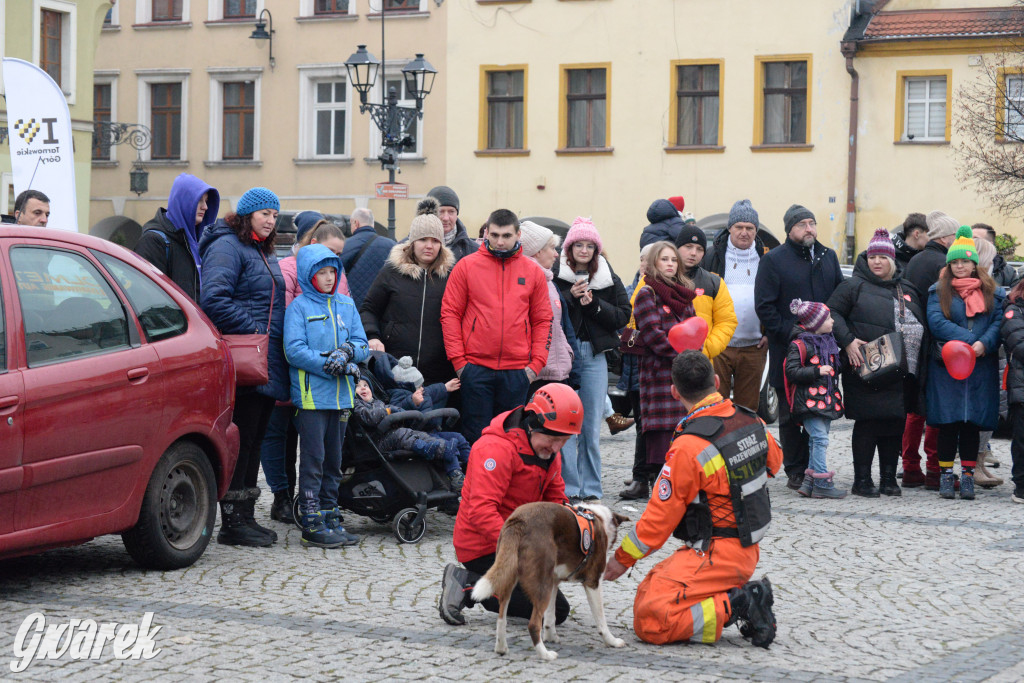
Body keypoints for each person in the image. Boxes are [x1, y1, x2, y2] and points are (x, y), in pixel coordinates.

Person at [603, 351, 781, 648]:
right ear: (717, 382)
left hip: (716, 552)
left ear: (674, 392)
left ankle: (740, 602)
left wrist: (621, 560)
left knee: (651, 619)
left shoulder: (689, 446)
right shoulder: (753, 421)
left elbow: (658, 521)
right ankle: (731, 594)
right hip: (744, 547)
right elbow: (774, 463)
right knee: (648, 589)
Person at [437, 383, 580, 626]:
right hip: (483, 546)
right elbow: (481, 512)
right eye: (553, 439)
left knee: (555, 610)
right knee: (551, 609)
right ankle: (467, 582)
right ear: (532, 424)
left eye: (564, 441)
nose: (556, 448)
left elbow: (556, 500)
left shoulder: (547, 452)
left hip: (520, 540)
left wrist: (574, 529)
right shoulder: (495, 449)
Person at [199, 187, 288, 547]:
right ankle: (233, 522)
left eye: (275, 215)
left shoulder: (260, 249)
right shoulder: (227, 246)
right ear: (247, 215)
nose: (270, 220)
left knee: (255, 439)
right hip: (246, 357)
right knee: (243, 438)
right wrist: (255, 330)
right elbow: (213, 298)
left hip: (266, 357)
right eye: (265, 213)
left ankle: (246, 516)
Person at [263, 214, 351, 525]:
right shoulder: (288, 271)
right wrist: (323, 358)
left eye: (338, 256)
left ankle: (321, 505)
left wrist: (347, 351)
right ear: (313, 245)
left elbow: (347, 316)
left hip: (323, 379)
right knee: (280, 435)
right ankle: (283, 496)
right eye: (331, 253)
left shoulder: (337, 276)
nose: (335, 263)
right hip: (291, 365)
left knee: (319, 447)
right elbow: (285, 319)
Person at [827, 229, 927, 497]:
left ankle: (888, 480)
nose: (877, 262)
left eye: (883, 257)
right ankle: (862, 481)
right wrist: (848, 341)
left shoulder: (906, 288)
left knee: (894, 423)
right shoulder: (852, 286)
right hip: (865, 367)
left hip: (900, 371)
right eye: (872, 257)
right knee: (868, 423)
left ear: (892, 260)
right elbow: (832, 313)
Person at [440, 209, 552, 443]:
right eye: (495, 235)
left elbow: (543, 319)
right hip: (475, 368)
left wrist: (535, 365)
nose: (500, 242)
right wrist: (460, 363)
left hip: (517, 371)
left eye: (506, 236)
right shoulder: (466, 266)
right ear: (486, 234)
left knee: (512, 440)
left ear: (518, 235)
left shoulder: (532, 272)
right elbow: (450, 314)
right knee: (476, 439)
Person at [282, 243, 367, 547]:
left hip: (341, 397)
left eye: (333, 271)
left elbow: (362, 343)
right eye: (322, 272)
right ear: (309, 275)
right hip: (312, 399)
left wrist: (348, 351)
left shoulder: (347, 304)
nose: (329, 278)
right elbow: (294, 350)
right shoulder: (299, 307)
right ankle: (311, 520)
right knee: (313, 461)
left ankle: (330, 517)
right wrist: (329, 364)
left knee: (334, 461)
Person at [754, 204, 844, 489]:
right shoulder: (774, 260)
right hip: (789, 350)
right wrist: (792, 334)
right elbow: (765, 307)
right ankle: (795, 469)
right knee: (791, 411)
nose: (809, 229)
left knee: (818, 408)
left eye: (812, 223)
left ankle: (815, 466)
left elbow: (839, 300)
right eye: (802, 224)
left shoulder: (828, 257)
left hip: (824, 351)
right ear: (789, 229)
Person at [551, 217, 630, 501]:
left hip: (595, 356)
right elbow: (547, 311)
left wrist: (595, 305)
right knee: (566, 423)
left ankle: (591, 489)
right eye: (578, 245)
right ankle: (569, 488)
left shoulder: (607, 276)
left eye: (589, 246)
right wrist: (570, 298)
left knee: (591, 424)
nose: (583, 250)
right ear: (569, 248)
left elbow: (623, 315)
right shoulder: (556, 274)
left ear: (596, 250)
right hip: (565, 355)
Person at [926, 226, 1005, 500]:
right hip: (948, 367)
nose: (959, 266)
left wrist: (984, 344)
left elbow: (998, 322)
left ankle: (969, 475)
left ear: (974, 264)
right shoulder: (938, 291)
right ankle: (947, 476)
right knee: (948, 422)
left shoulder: (993, 292)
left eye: (965, 261)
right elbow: (937, 322)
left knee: (972, 422)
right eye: (955, 262)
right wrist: (971, 342)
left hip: (980, 367)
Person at [360, 198, 456, 388]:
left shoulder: (451, 276)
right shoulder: (392, 271)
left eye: (435, 240)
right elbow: (369, 309)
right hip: (396, 369)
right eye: (423, 239)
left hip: (438, 373)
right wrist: (373, 336)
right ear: (412, 242)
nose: (429, 245)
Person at [903, 211, 960, 489]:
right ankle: (935, 470)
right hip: (937, 344)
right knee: (937, 407)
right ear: (946, 237)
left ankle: (910, 468)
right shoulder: (944, 264)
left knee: (915, 410)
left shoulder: (915, 260)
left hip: (914, 340)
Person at [634, 241, 697, 470]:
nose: (670, 264)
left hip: (686, 378)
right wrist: (686, 356)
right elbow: (655, 337)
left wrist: (693, 357)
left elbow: (695, 331)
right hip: (659, 376)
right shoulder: (646, 293)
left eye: (673, 260)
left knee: (686, 444)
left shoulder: (684, 294)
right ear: (654, 262)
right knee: (663, 455)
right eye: (664, 259)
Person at [703, 199, 771, 412]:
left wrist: (769, 333)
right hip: (719, 346)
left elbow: (775, 298)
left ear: (756, 231)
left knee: (748, 410)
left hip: (754, 347)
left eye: (749, 228)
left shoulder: (766, 258)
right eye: (739, 227)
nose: (744, 232)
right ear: (729, 228)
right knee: (716, 406)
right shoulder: (712, 256)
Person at [353, 378, 467, 491]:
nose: (363, 388)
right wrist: (388, 411)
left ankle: (447, 451)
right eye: (357, 386)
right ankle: (428, 449)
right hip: (376, 442)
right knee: (402, 433)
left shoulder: (378, 403)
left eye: (366, 385)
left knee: (421, 435)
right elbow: (369, 417)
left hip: (393, 435)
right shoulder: (356, 405)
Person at [784, 300, 846, 498]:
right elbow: (792, 371)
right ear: (815, 323)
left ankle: (809, 483)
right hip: (808, 401)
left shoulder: (828, 342)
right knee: (820, 439)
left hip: (826, 400)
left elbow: (836, 367)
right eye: (827, 319)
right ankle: (822, 483)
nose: (832, 321)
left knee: (815, 440)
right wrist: (817, 371)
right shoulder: (799, 344)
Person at [518, 220, 581, 396]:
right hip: (533, 377)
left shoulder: (550, 283)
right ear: (537, 251)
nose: (556, 254)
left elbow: (563, 329)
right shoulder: (523, 281)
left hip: (556, 374)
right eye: (552, 248)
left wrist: (573, 367)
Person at [134, 174, 218, 302]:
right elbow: (147, 297)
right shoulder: (154, 241)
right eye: (199, 200)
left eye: (206, 201)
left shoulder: (200, 244)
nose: (205, 207)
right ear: (183, 201)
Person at [619, 244, 656, 500]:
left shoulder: (656, 291)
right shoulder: (630, 289)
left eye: (649, 260)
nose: (644, 264)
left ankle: (644, 475)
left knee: (649, 424)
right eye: (642, 259)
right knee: (641, 424)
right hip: (632, 366)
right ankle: (642, 473)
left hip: (650, 365)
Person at [674, 222, 737, 360]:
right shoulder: (656, 278)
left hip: (700, 362)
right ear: (677, 248)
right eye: (688, 247)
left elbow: (727, 322)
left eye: (699, 249)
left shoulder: (714, 282)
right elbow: (636, 315)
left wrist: (706, 349)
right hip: (660, 362)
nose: (693, 253)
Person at [973, 238, 1006, 487]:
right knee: (978, 414)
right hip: (977, 356)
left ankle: (980, 463)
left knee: (987, 414)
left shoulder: (993, 288)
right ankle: (974, 465)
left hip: (990, 354)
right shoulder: (980, 289)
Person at [999, 279, 1024, 504]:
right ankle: (1021, 486)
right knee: (1022, 439)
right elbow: (1019, 345)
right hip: (1021, 385)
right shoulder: (1013, 310)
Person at [341, 207, 395, 307]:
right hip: (382, 306)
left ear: (356, 223)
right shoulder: (391, 245)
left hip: (353, 306)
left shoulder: (345, 245)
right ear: (372, 223)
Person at [427, 185, 479, 261]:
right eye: (440, 211)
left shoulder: (473, 251)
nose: (446, 218)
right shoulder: (410, 248)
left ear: (456, 214)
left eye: (451, 211)